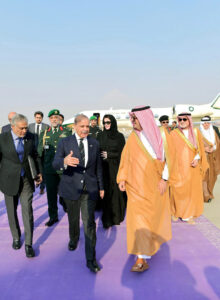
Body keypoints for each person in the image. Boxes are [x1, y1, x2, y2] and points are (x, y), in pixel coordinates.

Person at [117, 106, 172, 272]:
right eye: (132, 119)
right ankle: (141, 257)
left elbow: (171, 159)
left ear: (144, 119)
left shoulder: (162, 135)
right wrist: (122, 178)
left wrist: (164, 179)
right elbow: (125, 159)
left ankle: (149, 247)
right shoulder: (133, 138)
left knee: (153, 218)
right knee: (138, 220)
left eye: (135, 119)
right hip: (135, 188)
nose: (132, 122)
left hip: (155, 186)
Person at [53, 114, 104, 273]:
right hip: (70, 188)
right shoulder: (64, 142)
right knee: (73, 218)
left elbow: (98, 168)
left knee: (89, 224)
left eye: (87, 126)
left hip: (89, 189)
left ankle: (91, 259)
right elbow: (54, 164)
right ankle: (73, 238)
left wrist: (101, 186)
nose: (85, 129)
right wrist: (64, 162)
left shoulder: (94, 143)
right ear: (74, 126)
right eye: (82, 126)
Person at [0, 114, 42, 257]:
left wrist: (39, 172)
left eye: (26, 127)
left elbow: (35, 155)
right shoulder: (2, 139)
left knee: (27, 210)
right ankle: (16, 237)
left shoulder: (30, 137)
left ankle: (29, 243)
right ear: (12, 127)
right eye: (21, 128)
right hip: (8, 179)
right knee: (11, 211)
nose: (25, 131)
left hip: (26, 179)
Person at [170, 113, 209, 224]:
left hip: (193, 167)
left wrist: (197, 158)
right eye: (180, 119)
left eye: (184, 119)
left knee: (191, 191)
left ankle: (188, 215)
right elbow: (169, 152)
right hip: (178, 168)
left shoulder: (196, 132)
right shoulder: (174, 133)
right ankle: (176, 212)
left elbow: (200, 148)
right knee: (177, 191)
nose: (182, 121)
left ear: (189, 120)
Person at [38, 109, 71, 226]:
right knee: (51, 195)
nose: (54, 120)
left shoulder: (67, 132)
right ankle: (53, 216)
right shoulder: (45, 134)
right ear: (49, 120)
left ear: (59, 119)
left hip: (63, 169)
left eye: (56, 118)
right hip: (50, 169)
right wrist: (40, 171)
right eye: (52, 118)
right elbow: (40, 153)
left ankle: (67, 207)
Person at [97, 114, 126, 228]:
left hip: (116, 167)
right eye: (104, 122)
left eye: (108, 122)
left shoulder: (119, 136)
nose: (106, 124)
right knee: (106, 192)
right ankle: (107, 218)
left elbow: (123, 153)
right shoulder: (100, 135)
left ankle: (116, 216)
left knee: (116, 192)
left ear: (113, 122)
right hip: (103, 168)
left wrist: (110, 155)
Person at [199, 116, 220, 202]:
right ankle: (206, 195)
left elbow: (217, 143)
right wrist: (204, 149)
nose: (206, 125)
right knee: (204, 177)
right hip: (203, 159)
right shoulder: (199, 133)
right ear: (202, 124)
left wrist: (213, 148)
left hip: (212, 158)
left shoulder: (214, 132)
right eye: (204, 123)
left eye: (208, 123)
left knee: (213, 177)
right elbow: (195, 145)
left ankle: (209, 192)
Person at [28, 111, 49, 194]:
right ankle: (36, 181)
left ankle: (42, 186)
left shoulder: (46, 127)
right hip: (32, 151)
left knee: (42, 169)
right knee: (34, 167)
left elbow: (48, 139)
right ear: (34, 118)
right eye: (37, 117)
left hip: (43, 151)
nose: (38, 119)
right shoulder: (30, 126)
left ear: (42, 118)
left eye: (40, 118)